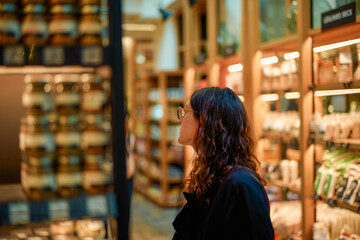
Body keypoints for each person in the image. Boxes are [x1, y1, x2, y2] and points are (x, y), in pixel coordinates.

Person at [172, 87, 274, 240]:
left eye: (185, 112)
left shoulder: (240, 184)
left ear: (203, 121)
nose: (180, 119)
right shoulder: (214, 175)